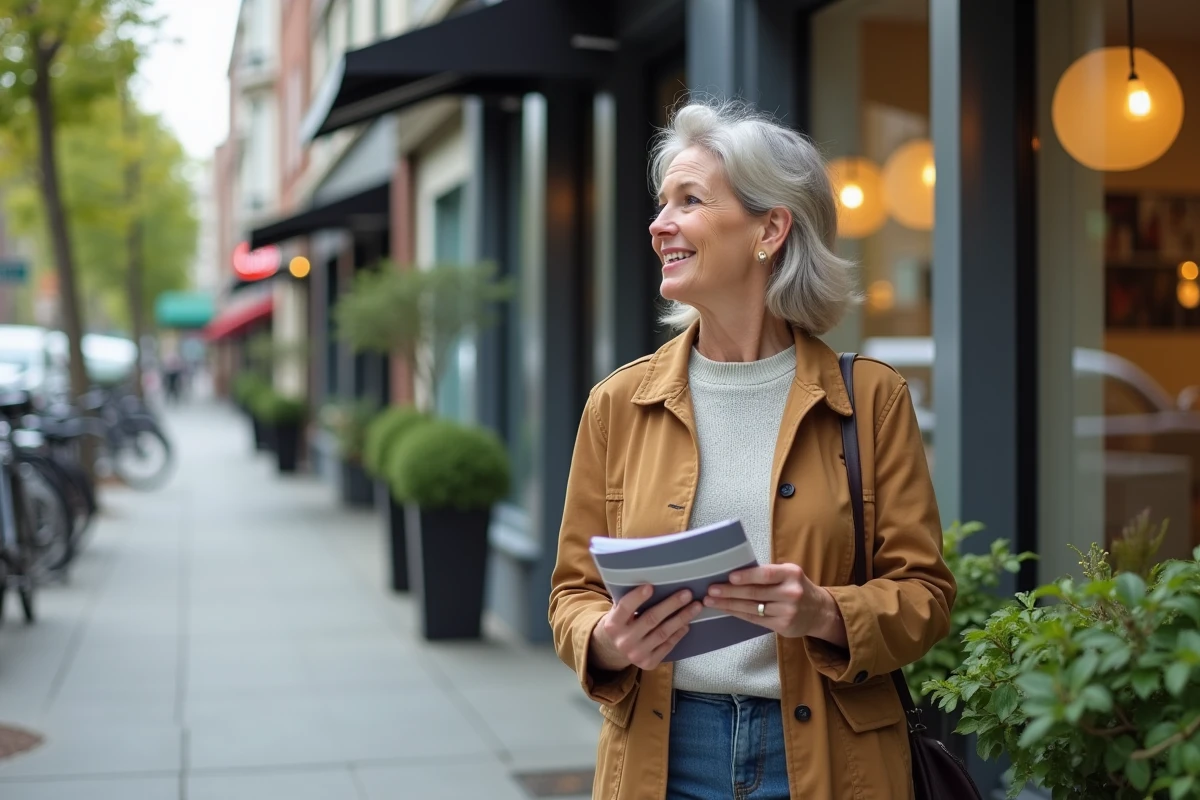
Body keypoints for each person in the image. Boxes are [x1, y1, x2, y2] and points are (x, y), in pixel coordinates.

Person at [548, 99, 957, 800]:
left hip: (830, 758)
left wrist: (824, 612)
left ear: (770, 227)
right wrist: (609, 640)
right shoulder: (619, 403)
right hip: (661, 755)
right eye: (660, 203)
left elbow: (926, 595)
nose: (658, 225)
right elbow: (572, 592)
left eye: (690, 200)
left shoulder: (871, 399)